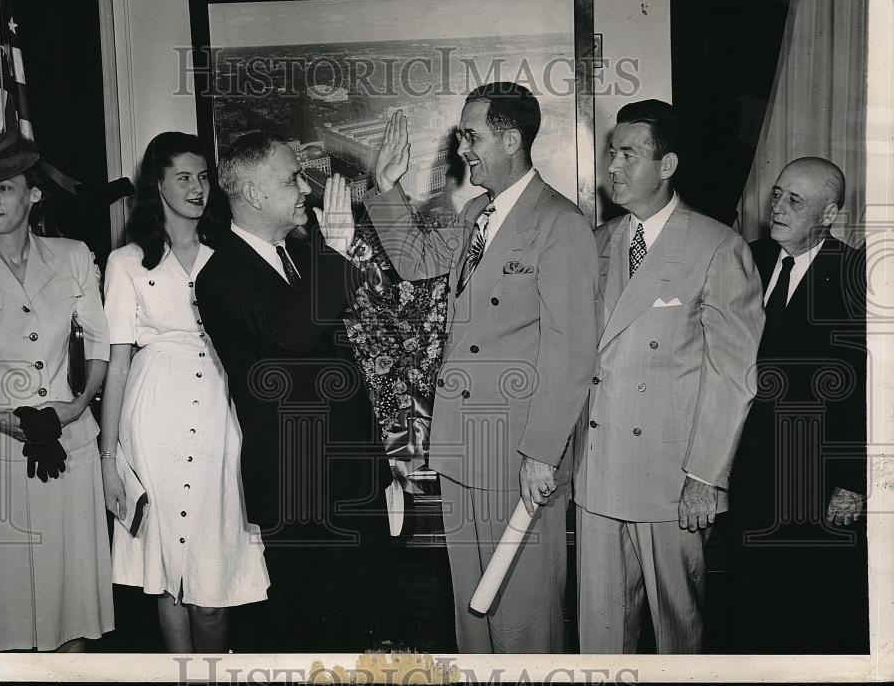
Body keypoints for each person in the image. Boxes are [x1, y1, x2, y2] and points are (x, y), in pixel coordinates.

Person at [364, 82, 598, 654]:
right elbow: (415, 262)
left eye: (472, 135)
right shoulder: (474, 212)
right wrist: (387, 186)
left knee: (522, 609)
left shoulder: (558, 223)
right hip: (462, 440)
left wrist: (543, 452)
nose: (462, 147)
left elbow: (572, 350)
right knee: (470, 603)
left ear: (511, 139)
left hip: (518, 448)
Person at [571, 99, 764, 653]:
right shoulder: (600, 241)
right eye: (612, 153)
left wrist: (705, 477)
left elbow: (733, 374)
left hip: (673, 481)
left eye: (629, 154)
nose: (613, 167)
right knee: (600, 638)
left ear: (668, 165)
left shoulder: (716, 246)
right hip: (599, 472)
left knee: (679, 633)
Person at [194, 132, 393, 653]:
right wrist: (335, 248)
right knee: (305, 634)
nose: (304, 188)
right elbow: (293, 333)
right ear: (254, 194)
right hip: (299, 488)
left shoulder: (303, 253)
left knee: (360, 624)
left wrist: (382, 187)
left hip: (352, 478)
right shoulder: (220, 276)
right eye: (291, 178)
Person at [0, 128, 113, 652]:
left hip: (69, 447)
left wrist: (74, 408)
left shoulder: (74, 256)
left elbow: (100, 347)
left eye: (5, 188)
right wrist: (14, 425)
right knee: (4, 612)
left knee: (73, 608)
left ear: (34, 194)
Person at [99, 132, 269, 653]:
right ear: (157, 184)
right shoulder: (127, 262)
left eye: (204, 176)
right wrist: (110, 459)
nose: (198, 188)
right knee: (170, 576)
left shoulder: (234, 252)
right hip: (154, 420)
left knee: (212, 583)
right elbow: (117, 362)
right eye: (184, 177)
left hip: (223, 415)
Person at [727, 157, 868, 654]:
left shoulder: (855, 275)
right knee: (749, 611)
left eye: (795, 201)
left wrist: (852, 482)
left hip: (816, 483)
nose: (778, 208)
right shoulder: (748, 257)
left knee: (812, 616)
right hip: (746, 473)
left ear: (828, 214)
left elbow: (866, 390)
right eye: (777, 194)